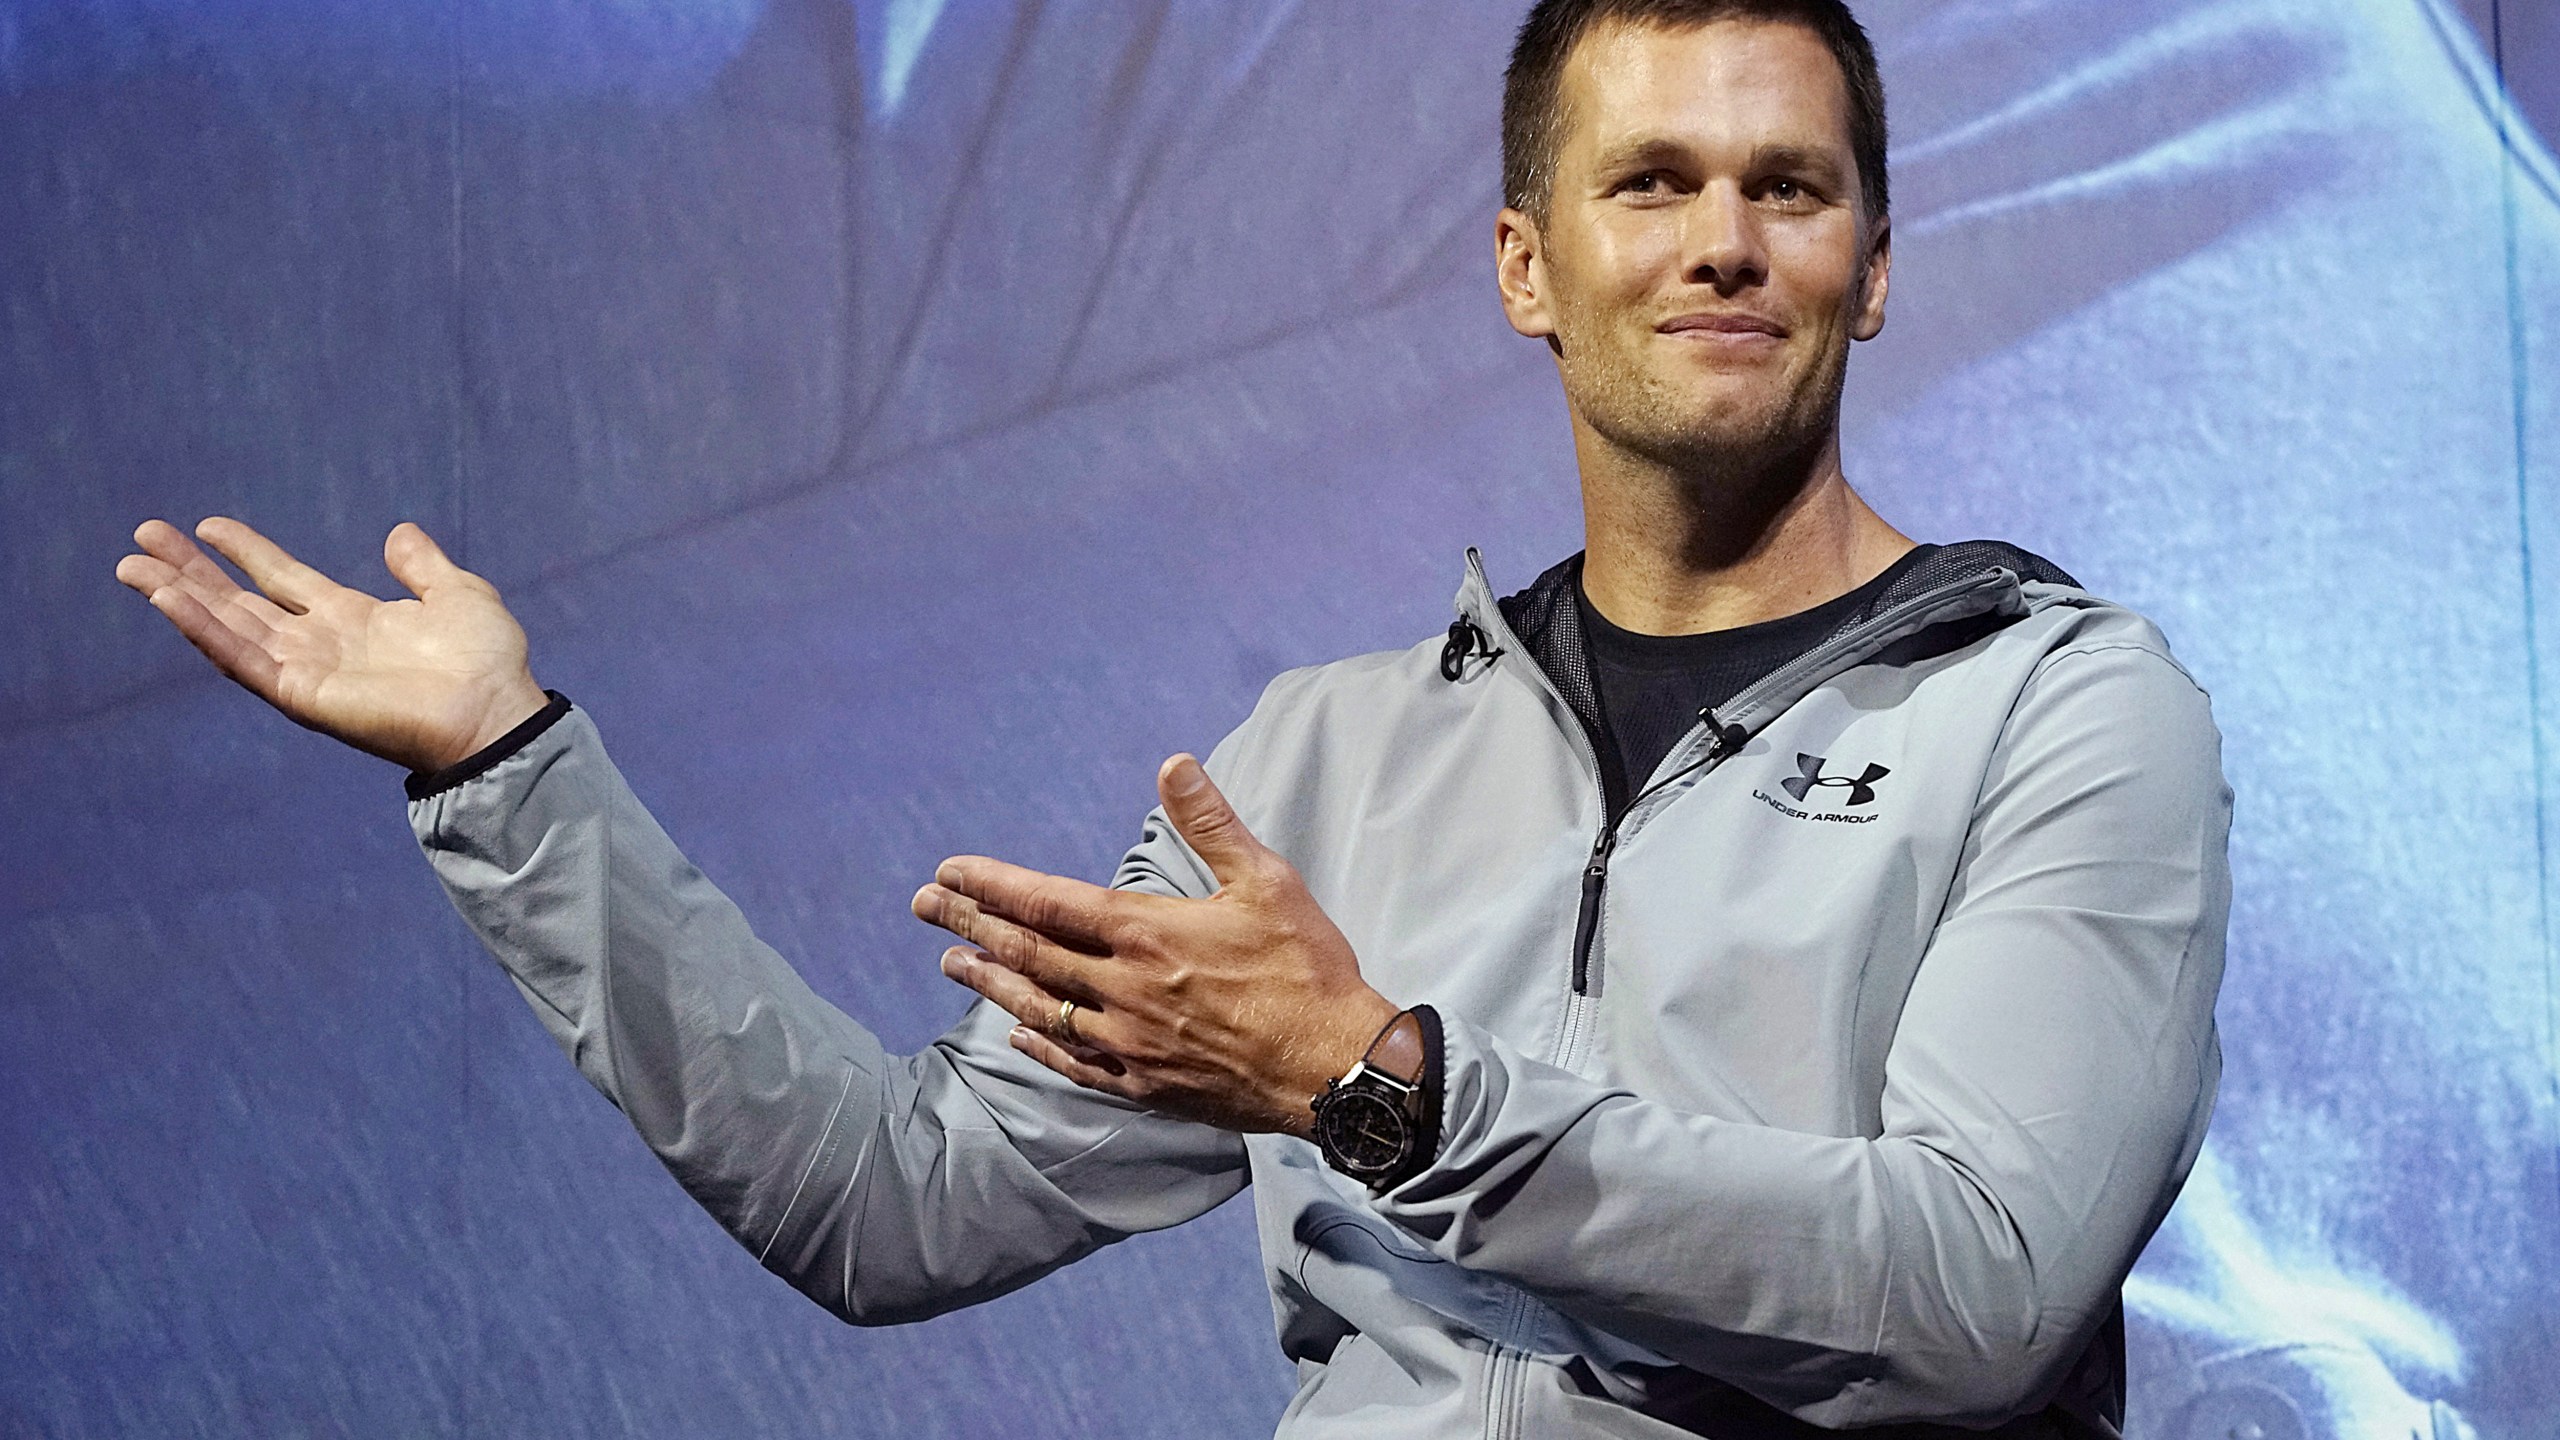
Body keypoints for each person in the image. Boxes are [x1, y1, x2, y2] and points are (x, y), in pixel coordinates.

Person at [111, 0, 2230, 1434]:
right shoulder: (1312, 764)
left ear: (1870, 265)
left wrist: (1381, 1087)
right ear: (1523, 264)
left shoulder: (2055, 709)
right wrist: (511, 776)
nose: (1721, 246)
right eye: (1648, 182)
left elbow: (1977, 1291)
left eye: (1789, 189)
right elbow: (888, 1201)